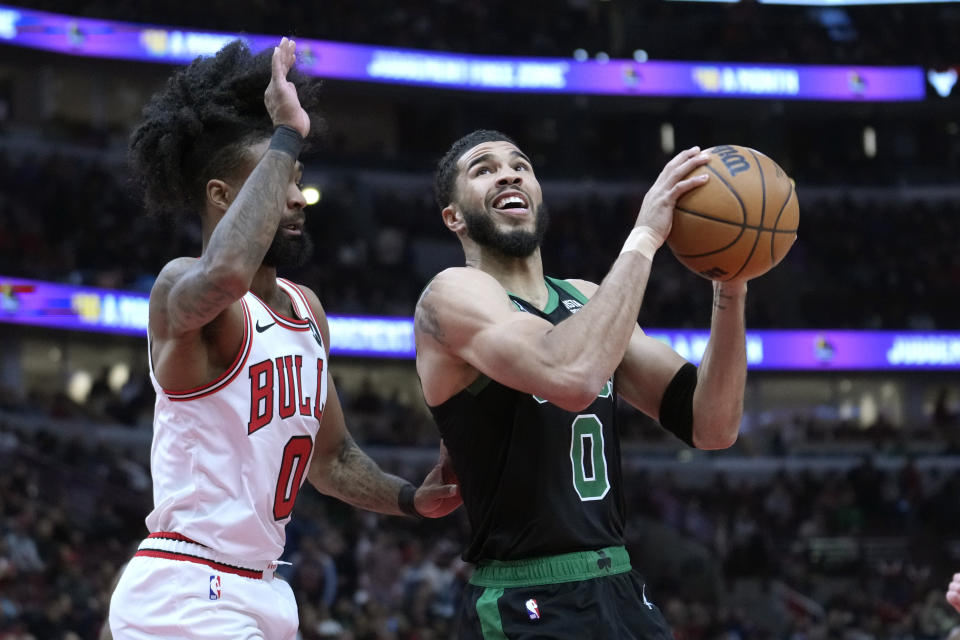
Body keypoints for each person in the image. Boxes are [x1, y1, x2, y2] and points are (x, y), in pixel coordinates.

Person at [108, 38, 460, 639]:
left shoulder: (306, 310)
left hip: (266, 588)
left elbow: (332, 459)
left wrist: (408, 499)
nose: (296, 197)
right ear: (221, 197)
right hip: (190, 584)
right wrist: (286, 132)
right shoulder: (179, 290)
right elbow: (224, 273)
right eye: (278, 181)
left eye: (297, 179)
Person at [414, 129, 749, 638]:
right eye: (483, 169)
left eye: (520, 165)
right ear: (454, 216)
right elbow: (572, 376)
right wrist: (644, 236)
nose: (508, 173)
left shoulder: (588, 299)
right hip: (525, 596)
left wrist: (732, 284)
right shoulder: (450, 294)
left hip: (618, 585)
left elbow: (713, 424)